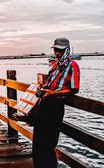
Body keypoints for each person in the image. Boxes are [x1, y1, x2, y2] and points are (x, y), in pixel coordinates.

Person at [32, 37, 80, 168]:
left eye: (60, 50)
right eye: (56, 50)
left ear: (67, 50)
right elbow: (48, 83)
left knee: (48, 144)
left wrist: (53, 93)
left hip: (55, 107)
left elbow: (74, 89)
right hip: (44, 105)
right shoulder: (55, 65)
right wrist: (42, 88)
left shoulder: (73, 65)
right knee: (37, 143)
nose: (57, 53)